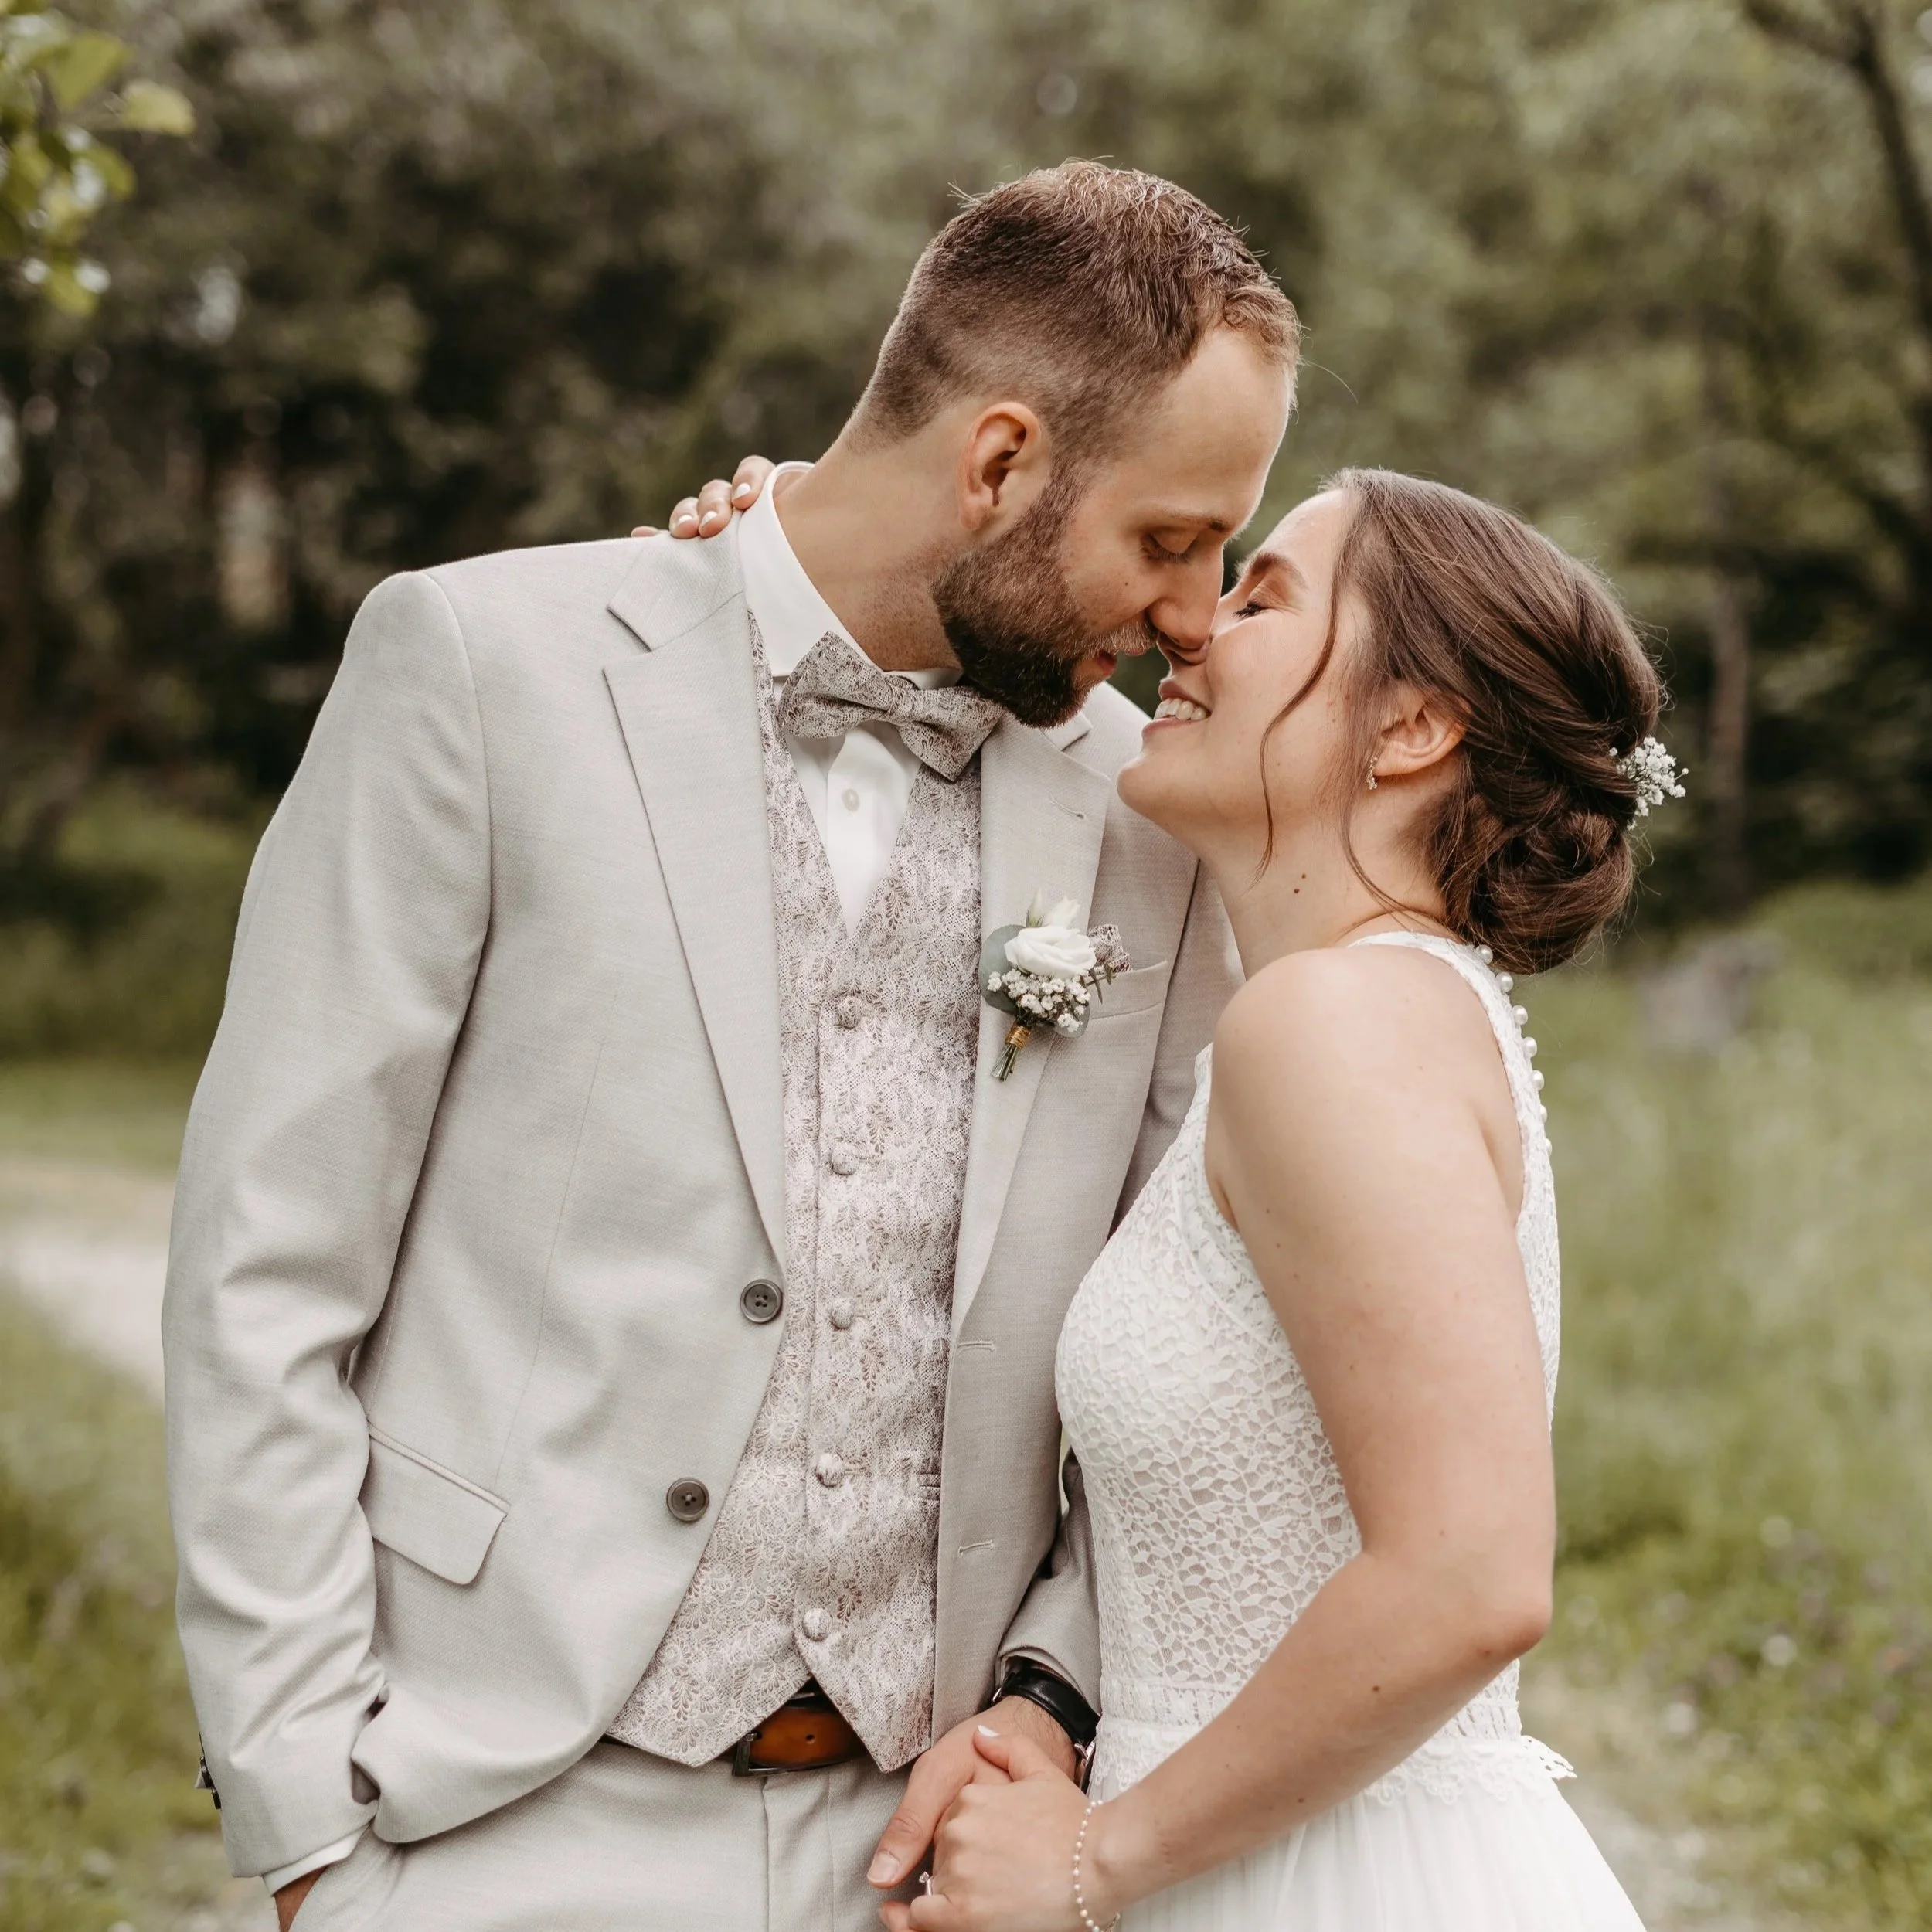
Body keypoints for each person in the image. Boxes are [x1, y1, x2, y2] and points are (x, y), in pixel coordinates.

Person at [160, 162, 1298, 1930]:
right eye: (1168, 537)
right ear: (996, 462)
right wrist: (308, 1820)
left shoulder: (1140, 816)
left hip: (920, 1843)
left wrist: (1050, 1699)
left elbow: (1173, 1330)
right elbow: (266, 1263)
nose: (1192, 614)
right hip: (493, 1809)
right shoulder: (481, 665)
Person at [681, 464, 1667, 1929]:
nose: (1192, 628)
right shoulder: (1355, 1011)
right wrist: (773, 556)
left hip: (1323, 1874)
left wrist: (1099, 1861)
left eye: (1265, 597)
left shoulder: (1330, 1027)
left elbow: (1469, 1577)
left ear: (1411, 727)